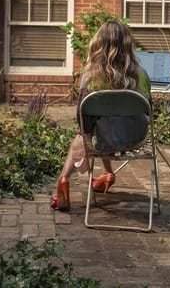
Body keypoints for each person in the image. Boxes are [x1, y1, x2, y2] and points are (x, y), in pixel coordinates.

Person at [50, 19, 151, 211]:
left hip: (103, 139)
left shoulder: (90, 78)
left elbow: (83, 120)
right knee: (110, 122)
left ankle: (63, 180)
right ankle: (108, 174)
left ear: (98, 45)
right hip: (136, 138)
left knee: (89, 131)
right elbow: (148, 110)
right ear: (128, 45)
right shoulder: (142, 74)